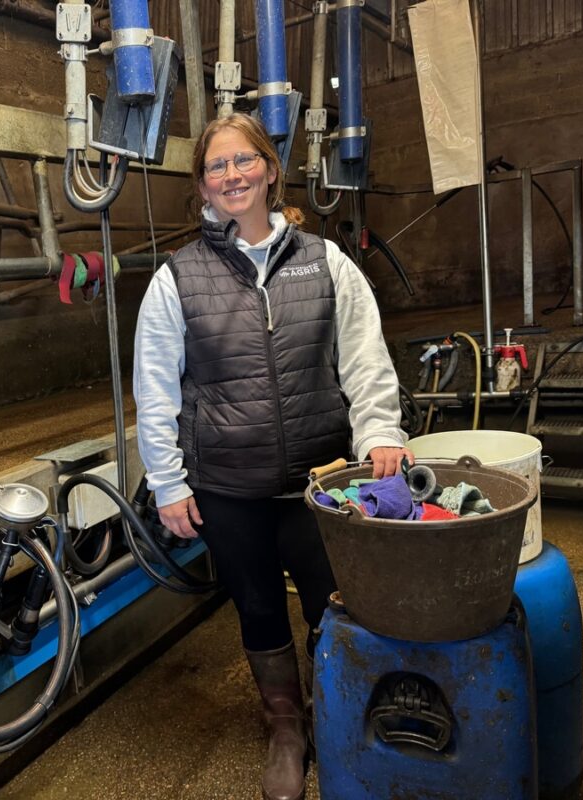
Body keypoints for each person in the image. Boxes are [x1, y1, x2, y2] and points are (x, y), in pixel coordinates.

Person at [132, 113, 412, 800]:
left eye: (243, 161)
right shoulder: (178, 278)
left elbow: (364, 357)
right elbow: (154, 383)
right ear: (202, 183)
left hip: (320, 484)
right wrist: (168, 481)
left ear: (268, 168)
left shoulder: (324, 261)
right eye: (216, 166)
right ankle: (285, 725)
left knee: (334, 605)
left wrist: (380, 433)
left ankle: (332, 712)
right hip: (228, 485)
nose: (231, 175)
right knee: (256, 606)